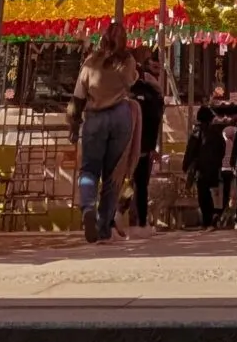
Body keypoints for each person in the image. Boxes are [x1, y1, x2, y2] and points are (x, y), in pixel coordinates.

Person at [70, 22, 139, 243]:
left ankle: (88, 208)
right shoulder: (128, 61)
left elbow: (78, 96)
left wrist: (73, 124)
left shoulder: (91, 62)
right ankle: (103, 227)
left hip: (95, 117)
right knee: (113, 175)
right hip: (120, 116)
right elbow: (132, 81)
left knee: (89, 169)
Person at [128, 58, 167, 232]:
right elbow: (155, 120)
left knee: (121, 182)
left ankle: (113, 217)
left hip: (121, 146)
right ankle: (141, 222)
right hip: (142, 146)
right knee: (140, 184)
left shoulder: (118, 92)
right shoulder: (151, 94)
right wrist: (151, 146)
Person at [185, 106, 229, 229]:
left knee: (203, 194)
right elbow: (222, 148)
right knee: (214, 192)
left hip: (201, 169)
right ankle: (215, 214)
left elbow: (190, 150)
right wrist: (218, 161)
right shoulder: (216, 132)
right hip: (214, 168)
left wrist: (186, 165)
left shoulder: (196, 132)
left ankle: (207, 220)